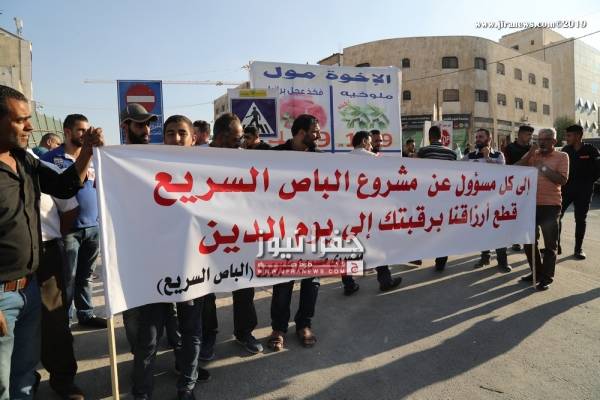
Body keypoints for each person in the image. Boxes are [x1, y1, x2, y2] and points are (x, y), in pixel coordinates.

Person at [0, 84, 102, 400]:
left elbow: (64, 186)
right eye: (20, 120)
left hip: (32, 280)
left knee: (25, 365)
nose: (30, 127)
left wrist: (87, 152)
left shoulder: (25, 161)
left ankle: (57, 382)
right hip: (2, 291)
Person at [132, 115, 207, 400]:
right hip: (157, 266)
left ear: (193, 138)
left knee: (191, 330)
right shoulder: (149, 169)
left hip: (194, 266)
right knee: (149, 336)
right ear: (163, 137)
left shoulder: (209, 171)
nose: (176, 139)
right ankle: (142, 392)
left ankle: (187, 386)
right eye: (170, 133)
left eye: (182, 133)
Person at [119, 104, 181, 356]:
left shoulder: (158, 157)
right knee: (135, 306)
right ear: (125, 127)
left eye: (148, 124)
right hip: (132, 248)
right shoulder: (115, 161)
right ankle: (141, 359)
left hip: (164, 245)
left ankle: (180, 353)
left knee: (171, 301)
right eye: (139, 124)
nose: (146, 130)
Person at [199, 113, 262, 361]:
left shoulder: (244, 159)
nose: (241, 143)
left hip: (238, 233)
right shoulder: (195, 158)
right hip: (207, 235)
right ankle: (208, 336)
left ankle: (244, 332)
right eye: (237, 139)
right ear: (221, 137)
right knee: (204, 286)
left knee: (244, 284)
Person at [28, 149, 84, 400]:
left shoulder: (37, 166)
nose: (28, 129)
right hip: (9, 260)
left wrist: (52, 238)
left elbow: (69, 206)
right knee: (12, 325)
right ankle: (23, 379)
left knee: (54, 322)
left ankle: (63, 380)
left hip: (46, 255)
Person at [42, 115, 107, 328]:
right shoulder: (51, 158)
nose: (85, 134)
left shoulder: (95, 156)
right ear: (67, 132)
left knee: (85, 276)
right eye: (81, 130)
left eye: (87, 130)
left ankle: (86, 314)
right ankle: (65, 322)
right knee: (66, 278)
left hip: (93, 226)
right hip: (68, 229)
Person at [267, 114, 322, 352]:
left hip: (314, 230)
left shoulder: (321, 159)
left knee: (312, 281)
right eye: (315, 131)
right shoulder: (275, 155)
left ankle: (304, 325)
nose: (318, 135)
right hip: (283, 229)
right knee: (282, 281)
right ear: (301, 132)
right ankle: (278, 328)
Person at [340, 131, 402, 295]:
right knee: (378, 245)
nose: (371, 145)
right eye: (369, 142)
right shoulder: (374, 158)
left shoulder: (342, 159)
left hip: (349, 210)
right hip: (370, 210)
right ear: (363, 141)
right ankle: (385, 281)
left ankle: (348, 284)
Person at [516, 128, 569, 290]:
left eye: (546, 139)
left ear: (554, 141)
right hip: (530, 205)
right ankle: (536, 272)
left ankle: (547, 277)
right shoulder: (534, 154)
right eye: (540, 139)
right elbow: (516, 168)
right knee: (529, 242)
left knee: (550, 245)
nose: (542, 142)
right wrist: (530, 154)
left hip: (550, 206)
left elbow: (562, 180)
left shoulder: (562, 156)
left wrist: (543, 168)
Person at [462, 128, 512, 272]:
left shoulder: (498, 155)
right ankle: (485, 257)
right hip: (477, 201)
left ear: (489, 139)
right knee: (482, 230)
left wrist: (487, 157)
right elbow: (456, 168)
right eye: (477, 137)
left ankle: (502, 261)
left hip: (496, 200)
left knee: (498, 230)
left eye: (481, 137)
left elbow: (502, 172)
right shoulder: (470, 156)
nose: (478, 139)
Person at [417, 126, 458, 271]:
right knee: (442, 228)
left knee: (422, 225)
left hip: (427, 196)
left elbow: (416, 171)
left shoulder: (424, 151)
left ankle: (417, 255)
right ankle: (441, 261)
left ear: (429, 137)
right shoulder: (452, 154)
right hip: (445, 196)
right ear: (442, 137)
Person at [559, 124, 600, 260]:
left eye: (569, 135)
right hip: (566, 189)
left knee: (580, 219)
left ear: (578, 136)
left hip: (584, 190)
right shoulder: (566, 150)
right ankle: (556, 246)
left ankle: (578, 249)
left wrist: (588, 182)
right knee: (557, 216)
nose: (566, 138)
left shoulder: (591, 150)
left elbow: (598, 169)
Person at [504, 125, 534, 251]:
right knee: (515, 214)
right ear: (520, 134)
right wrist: (530, 154)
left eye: (531, 135)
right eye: (528, 134)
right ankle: (515, 240)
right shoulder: (509, 148)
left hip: (530, 186)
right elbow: (510, 168)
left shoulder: (532, 148)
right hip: (514, 187)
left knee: (529, 214)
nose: (530, 137)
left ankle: (530, 241)